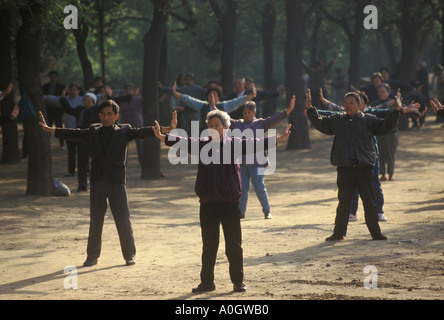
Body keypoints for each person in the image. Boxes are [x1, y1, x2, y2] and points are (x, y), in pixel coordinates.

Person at [152, 107, 291, 293]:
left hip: (229, 203)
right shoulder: (201, 144)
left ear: (226, 128)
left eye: (217, 125)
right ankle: (207, 283)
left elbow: (255, 143)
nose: (213, 128)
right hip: (208, 203)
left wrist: (278, 139)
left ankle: (238, 282)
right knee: (209, 246)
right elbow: (184, 142)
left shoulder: (235, 143)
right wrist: (163, 137)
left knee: (233, 246)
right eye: (210, 125)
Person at [38, 100, 177, 267]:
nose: (106, 117)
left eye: (109, 114)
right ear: (99, 115)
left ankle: (129, 255)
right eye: (103, 114)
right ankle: (92, 257)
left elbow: (145, 132)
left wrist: (168, 129)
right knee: (96, 220)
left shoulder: (125, 130)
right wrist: (50, 129)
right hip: (97, 180)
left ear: (116, 116)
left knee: (123, 219)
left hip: (116, 181)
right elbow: (74, 133)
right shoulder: (92, 131)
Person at [305, 89, 401, 241]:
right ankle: (338, 233)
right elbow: (321, 123)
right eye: (346, 103)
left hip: (364, 168)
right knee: (343, 203)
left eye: (351, 103)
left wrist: (396, 111)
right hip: (345, 169)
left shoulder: (368, 120)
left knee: (369, 203)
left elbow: (385, 126)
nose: (348, 106)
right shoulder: (337, 120)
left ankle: (376, 233)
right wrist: (310, 109)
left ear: (359, 104)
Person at [228, 97, 294, 219]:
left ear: (254, 112)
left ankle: (267, 211)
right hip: (241, 163)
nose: (247, 114)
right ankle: (240, 212)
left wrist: (288, 110)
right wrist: (213, 106)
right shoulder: (237, 124)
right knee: (242, 189)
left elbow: (275, 118)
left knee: (259, 187)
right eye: (245, 112)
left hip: (257, 162)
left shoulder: (260, 123)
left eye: (249, 112)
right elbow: (223, 119)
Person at [171, 81, 257, 134]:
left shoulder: (224, 105)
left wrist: (250, 96)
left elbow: (237, 101)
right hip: (206, 135)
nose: (212, 97)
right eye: (210, 95)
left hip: (221, 136)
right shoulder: (203, 105)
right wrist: (176, 94)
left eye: (214, 95)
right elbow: (189, 100)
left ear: (219, 97)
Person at [59, 92, 99, 192]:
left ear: (93, 102)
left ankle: (97, 185)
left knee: (96, 163)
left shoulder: (96, 110)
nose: (86, 102)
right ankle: (82, 186)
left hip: (93, 140)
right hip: (82, 139)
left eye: (89, 100)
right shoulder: (80, 110)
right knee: (82, 164)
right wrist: (63, 98)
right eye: (85, 100)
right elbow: (68, 109)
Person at [113, 83, 144, 165]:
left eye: (130, 89)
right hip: (125, 125)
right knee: (124, 145)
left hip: (137, 124)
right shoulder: (122, 101)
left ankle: (143, 162)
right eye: (126, 89)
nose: (128, 91)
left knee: (140, 145)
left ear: (134, 91)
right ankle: (123, 163)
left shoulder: (138, 99)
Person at [42, 71, 66, 149]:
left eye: (54, 77)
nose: (53, 78)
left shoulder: (62, 87)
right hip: (48, 109)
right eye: (51, 77)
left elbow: (64, 99)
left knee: (59, 126)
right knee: (47, 126)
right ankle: (47, 144)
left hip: (57, 110)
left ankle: (62, 144)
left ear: (57, 77)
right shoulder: (45, 87)